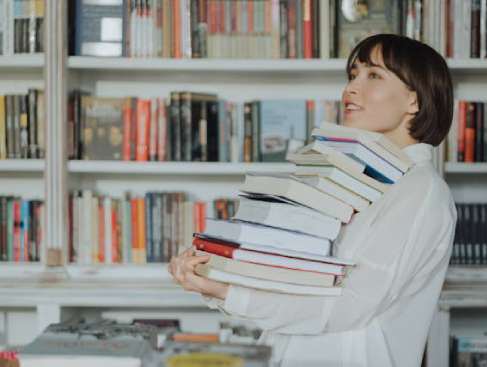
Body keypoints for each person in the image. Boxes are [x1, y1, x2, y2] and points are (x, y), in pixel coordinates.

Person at [168, 33, 457, 367]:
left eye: (373, 75)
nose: (351, 88)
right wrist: (217, 277)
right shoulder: (361, 178)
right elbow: (300, 283)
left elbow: (350, 306)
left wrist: (228, 293)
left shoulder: (420, 190)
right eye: (352, 75)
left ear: (414, 101)